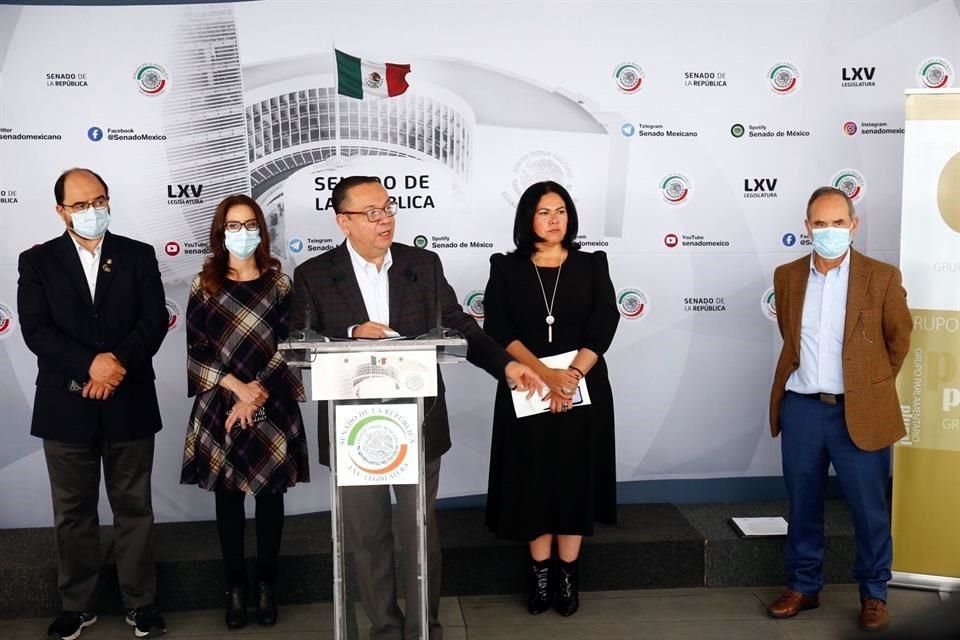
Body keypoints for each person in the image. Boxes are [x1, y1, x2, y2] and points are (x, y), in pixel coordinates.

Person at [291, 175, 544, 640]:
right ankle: (385, 629)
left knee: (420, 531)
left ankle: (424, 628)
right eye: (371, 212)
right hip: (351, 428)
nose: (384, 218)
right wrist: (349, 333)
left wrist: (506, 367)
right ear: (343, 221)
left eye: (388, 208)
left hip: (418, 418)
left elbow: (459, 325)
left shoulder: (422, 264)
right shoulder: (312, 273)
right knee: (366, 537)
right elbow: (297, 341)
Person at [16, 168, 169, 639]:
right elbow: (36, 330)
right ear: (60, 211)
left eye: (98, 200)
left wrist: (115, 363)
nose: (91, 210)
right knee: (73, 512)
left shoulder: (137, 255)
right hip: (67, 406)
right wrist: (90, 367)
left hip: (129, 400)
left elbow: (154, 320)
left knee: (134, 509)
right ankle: (76, 604)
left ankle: (140, 604)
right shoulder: (37, 262)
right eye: (80, 204)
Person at [766, 186, 912, 631]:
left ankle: (874, 593)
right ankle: (804, 585)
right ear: (807, 227)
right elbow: (793, 340)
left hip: (860, 410)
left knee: (869, 509)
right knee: (803, 502)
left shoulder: (881, 277)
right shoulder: (787, 276)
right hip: (803, 408)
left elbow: (899, 339)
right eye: (821, 224)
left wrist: (868, 385)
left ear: (854, 225)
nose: (829, 231)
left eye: (838, 223)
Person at [481, 181, 619, 617]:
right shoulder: (506, 268)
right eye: (544, 212)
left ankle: (567, 575)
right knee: (534, 479)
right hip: (527, 387)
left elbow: (603, 325)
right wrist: (546, 375)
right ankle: (539, 574)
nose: (554, 219)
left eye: (561, 211)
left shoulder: (591, 264)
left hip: (584, 386)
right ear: (528, 218)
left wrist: (571, 377)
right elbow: (500, 330)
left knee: (574, 479)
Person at [181, 194, 309, 630]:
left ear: (262, 229)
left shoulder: (280, 284)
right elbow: (196, 348)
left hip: (271, 403)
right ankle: (234, 587)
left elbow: (289, 346)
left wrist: (254, 394)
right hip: (221, 405)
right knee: (228, 498)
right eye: (233, 226)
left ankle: (266, 585)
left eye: (249, 224)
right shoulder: (204, 285)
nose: (242, 233)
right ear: (221, 233)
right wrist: (236, 389)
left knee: (271, 498)